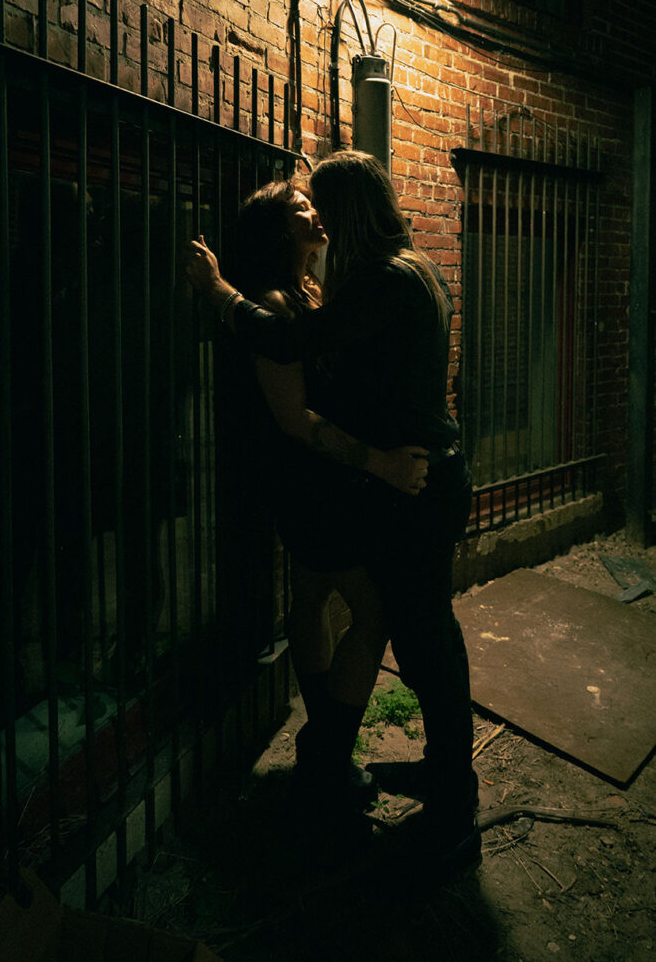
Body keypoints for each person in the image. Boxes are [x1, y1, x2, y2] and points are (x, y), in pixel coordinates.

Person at [187, 151, 480, 876]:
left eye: (320, 202)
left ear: (345, 212)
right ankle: (374, 766)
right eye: (300, 207)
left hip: (412, 483)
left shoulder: (373, 282)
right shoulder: (409, 267)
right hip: (384, 479)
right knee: (397, 626)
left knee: (423, 642)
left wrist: (220, 293)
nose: (314, 214)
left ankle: (443, 798)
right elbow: (299, 389)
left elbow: (293, 345)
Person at [223, 179, 430, 807]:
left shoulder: (312, 291)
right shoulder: (276, 304)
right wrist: (381, 464)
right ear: (279, 231)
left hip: (319, 481)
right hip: (309, 481)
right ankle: (332, 756)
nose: (314, 210)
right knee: (373, 613)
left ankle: (321, 749)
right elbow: (296, 420)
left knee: (311, 594)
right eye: (299, 207)